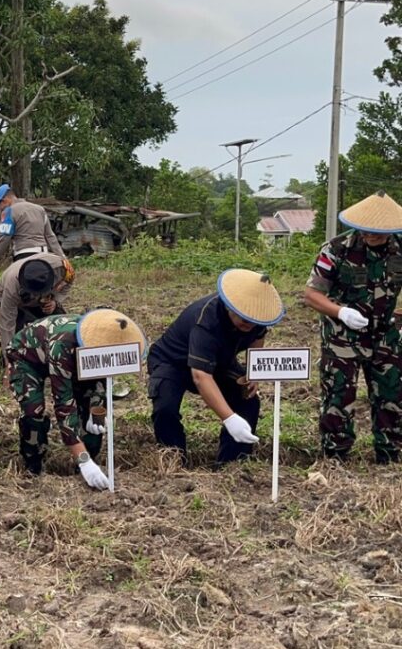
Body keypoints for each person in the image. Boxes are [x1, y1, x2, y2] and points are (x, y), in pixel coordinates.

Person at [147, 269, 284, 465]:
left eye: (254, 321)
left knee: (248, 401)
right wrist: (229, 418)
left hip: (218, 360)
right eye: (244, 319)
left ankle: (233, 462)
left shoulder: (256, 319)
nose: (249, 324)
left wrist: (253, 373)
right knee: (165, 408)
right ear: (230, 306)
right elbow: (201, 377)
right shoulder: (207, 322)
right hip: (173, 362)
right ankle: (174, 459)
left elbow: (258, 336)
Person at [303, 191, 402, 463]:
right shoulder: (336, 249)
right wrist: (341, 312)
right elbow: (312, 294)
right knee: (338, 395)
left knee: (391, 394)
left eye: (378, 233)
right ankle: (336, 455)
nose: (371, 236)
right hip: (342, 336)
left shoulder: (400, 248)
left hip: (386, 335)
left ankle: (389, 455)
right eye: (366, 231)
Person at [5, 309, 146, 488]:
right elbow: (64, 404)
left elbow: (101, 382)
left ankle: (89, 458)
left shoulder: (105, 344)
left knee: (94, 419)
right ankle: (33, 464)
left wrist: (98, 410)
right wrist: (83, 459)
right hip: (27, 358)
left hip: (77, 360)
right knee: (34, 411)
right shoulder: (62, 346)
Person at [0, 252, 75, 350]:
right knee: (20, 333)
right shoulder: (12, 286)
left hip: (43, 299)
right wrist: (8, 356)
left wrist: (55, 301)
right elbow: (7, 323)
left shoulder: (61, 267)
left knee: (61, 323)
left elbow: (69, 281)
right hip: (15, 300)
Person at [0, 184, 64, 274]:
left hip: (24, 256)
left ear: (4, 200)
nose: (0, 209)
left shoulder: (9, 211)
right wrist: (63, 258)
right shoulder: (40, 209)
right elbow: (50, 236)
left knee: (16, 286)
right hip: (44, 256)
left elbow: (3, 238)